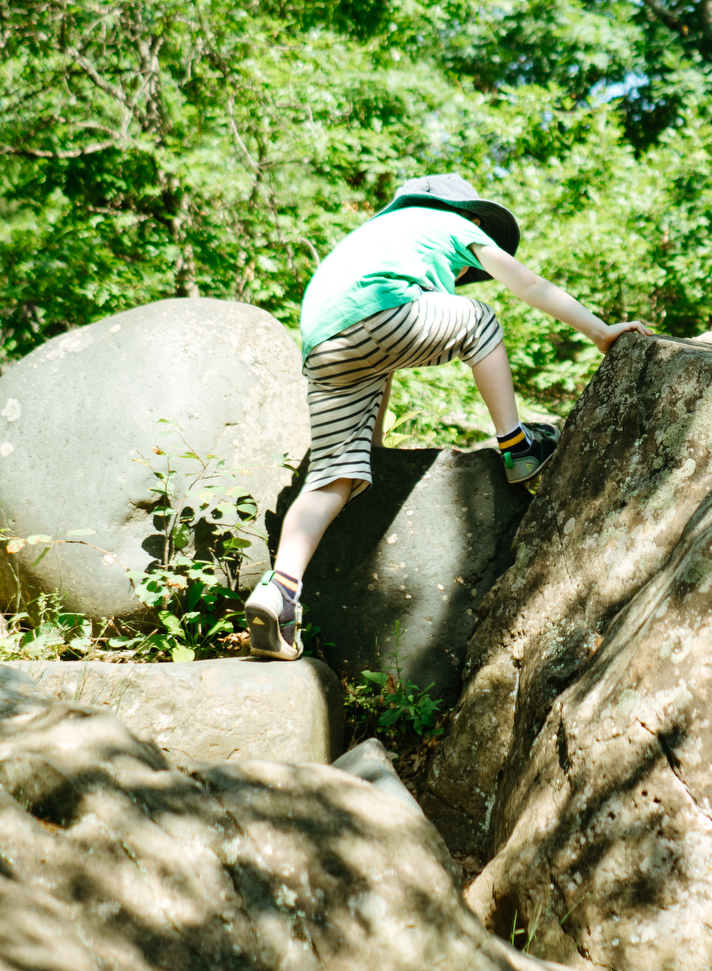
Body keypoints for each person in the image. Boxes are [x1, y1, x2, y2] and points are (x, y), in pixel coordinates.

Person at [244, 173, 650, 661]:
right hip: (386, 315)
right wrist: (601, 332)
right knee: (479, 321)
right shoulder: (456, 225)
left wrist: (373, 450)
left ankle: (280, 590)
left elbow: (377, 358)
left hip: (324, 343)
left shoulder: (376, 236)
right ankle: (517, 447)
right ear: (472, 216)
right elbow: (528, 283)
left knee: (331, 476)